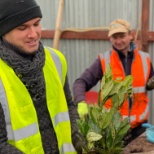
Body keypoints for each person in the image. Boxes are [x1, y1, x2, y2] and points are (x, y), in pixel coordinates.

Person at [0, 0, 86, 153]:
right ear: (3, 31)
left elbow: (68, 105)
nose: (33, 34)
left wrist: (77, 132)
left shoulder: (55, 59)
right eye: (22, 28)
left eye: (37, 24)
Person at [73, 19, 154, 143]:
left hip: (139, 129)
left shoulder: (145, 59)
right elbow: (81, 82)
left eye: (122, 36)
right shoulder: (103, 60)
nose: (118, 41)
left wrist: (150, 85)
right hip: (113, 131)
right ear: (110, 38)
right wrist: (81, 102)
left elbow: (148, 84)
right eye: (114, 37)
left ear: (130, 35)